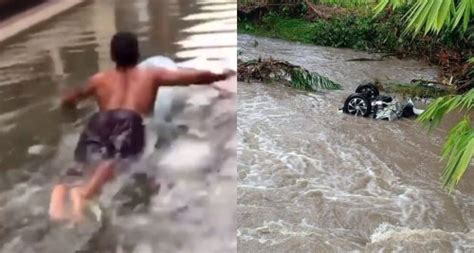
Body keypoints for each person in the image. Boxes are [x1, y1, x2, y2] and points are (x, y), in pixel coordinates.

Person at [49, 32, 234, 222]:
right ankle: (84, 194)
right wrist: (220, 76)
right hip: (129, 120)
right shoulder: (151, 74)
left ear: (112, 56)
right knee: (116, 160)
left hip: (99, 121)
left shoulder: (99, 79)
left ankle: (59, 199)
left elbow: (72, 97)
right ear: (138, 54)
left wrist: (67, 105)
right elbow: (194, 76)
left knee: (81, 165)